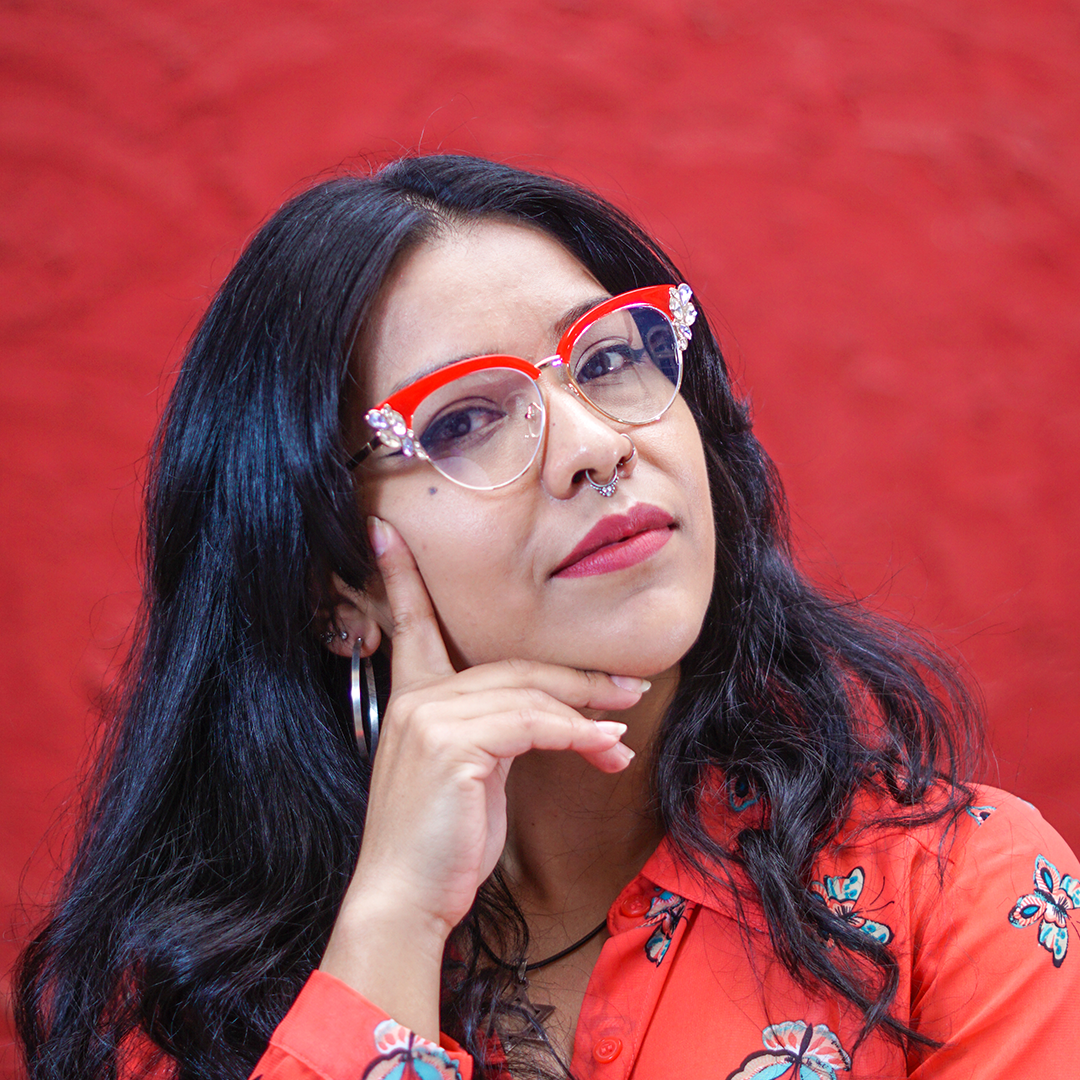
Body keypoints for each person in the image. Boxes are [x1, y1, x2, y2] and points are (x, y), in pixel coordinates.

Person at [15, 155, 1079, 1080]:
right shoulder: (192, 1009)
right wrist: (393, 922)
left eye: (610, 359)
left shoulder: (958, 899)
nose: (595, 444)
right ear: (337, 588)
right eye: (465, 420)